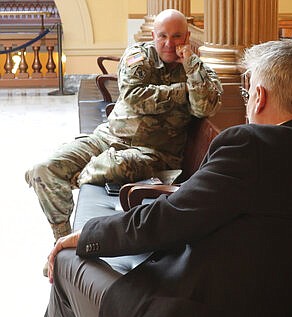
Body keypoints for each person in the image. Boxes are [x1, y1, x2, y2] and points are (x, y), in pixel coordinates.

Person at [36, 39, 292, 317]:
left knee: (65, 259)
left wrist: (84, 235)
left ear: (260, 96)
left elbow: (167, 220)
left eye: (249, 94)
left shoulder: (251, 146)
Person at [25, 9, 223, 253]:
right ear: (153, 35)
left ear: (188, 37)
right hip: (106, 138)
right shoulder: (138, 56)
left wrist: (191, 66)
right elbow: (134, 97)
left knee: (119, 166)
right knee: (43, 170)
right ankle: (62, 242)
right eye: (162, 36)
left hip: (152, 154)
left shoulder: (197, 69)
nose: (169, 44)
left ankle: (76, 181)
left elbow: (203, 107)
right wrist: (183, 91)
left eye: (177, 37)